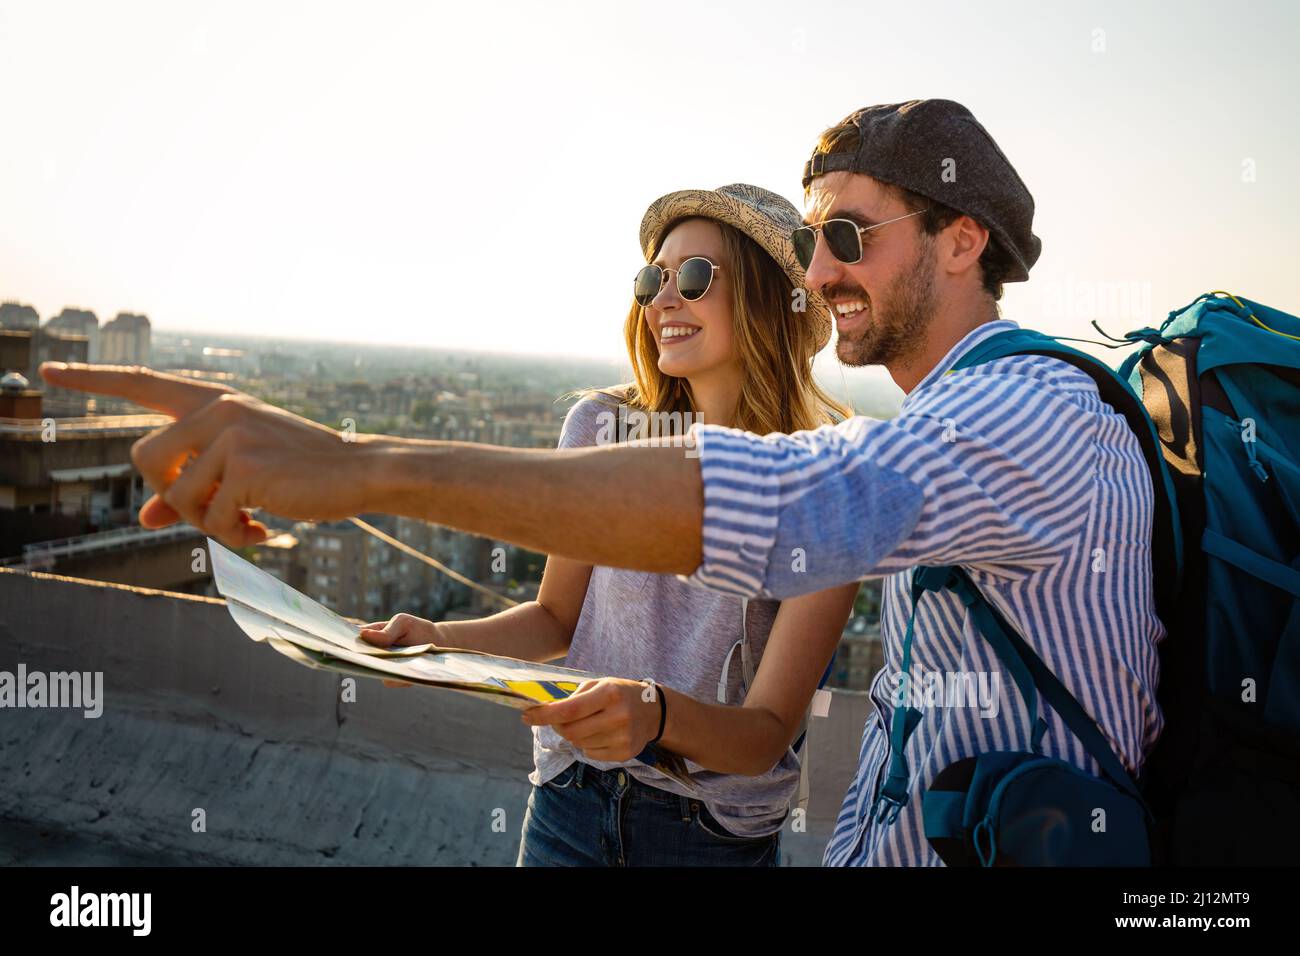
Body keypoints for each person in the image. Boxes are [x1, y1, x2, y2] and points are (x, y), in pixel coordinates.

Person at [42, 98, 1163, 867]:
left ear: (963, 239)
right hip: (585, 806)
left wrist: (358, 465)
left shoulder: (1020, 414)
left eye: (846, 236)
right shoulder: (940, 423)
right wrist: (438, 645)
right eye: (812, 241)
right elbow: (567, 610)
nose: (823, 273)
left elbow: (776, 517)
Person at [358, 184, 857, 866]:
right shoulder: (602, 427)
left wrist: (653, 715)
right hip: (571, 800)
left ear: (769, 299)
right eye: (653, 278)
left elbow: (764, 735)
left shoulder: (828, 480)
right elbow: (554, 618)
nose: (661, 300)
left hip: (708, 837)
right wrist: (439, 643)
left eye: (693, 276)